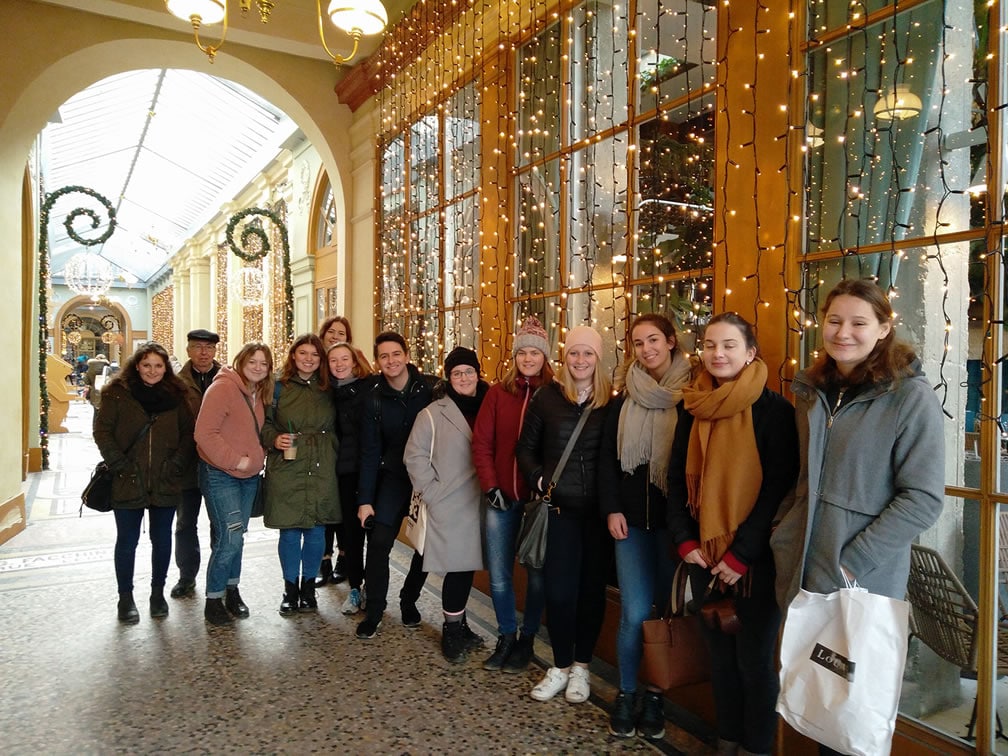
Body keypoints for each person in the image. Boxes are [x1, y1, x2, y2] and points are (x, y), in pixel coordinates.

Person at [770, 280, 944, 756]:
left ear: (884, 328)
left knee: (852, 715)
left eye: (859, 323)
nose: (843, 332)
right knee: (817, 700)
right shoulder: (814, 390)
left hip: (860, 581)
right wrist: (782, 532)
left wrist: (852, 561)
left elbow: (924, 498)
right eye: (834, 321)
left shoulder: (910, 397)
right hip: (806, 571)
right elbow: (803, 480)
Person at [666, 312, 799, 756]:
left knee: (755, 663)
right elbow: (674, 479)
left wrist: (741, 554)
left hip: (755, 563)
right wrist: (685, 541)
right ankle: (726, 741)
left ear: (750, 352)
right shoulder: (694, 404)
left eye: (728, 345)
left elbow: (777, 490)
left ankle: (757, 747)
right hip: (703, 556)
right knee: (719, 661)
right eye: (709, 345)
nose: (717, 354)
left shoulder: (774, 410)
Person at [599, 313, 692, 740]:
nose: (646, 349)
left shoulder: (693, 395)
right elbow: (606, 462)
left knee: (666, 614)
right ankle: (627, 693)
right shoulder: (623, 398)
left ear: (671, 341)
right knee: (634, 613)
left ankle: (655, 698)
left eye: (653, 340)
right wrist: (612, 509)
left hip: (676, 527)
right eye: (638, 343)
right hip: (631, 523)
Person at [515, 324, 612, 703]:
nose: (581, 360)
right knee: (558, 593)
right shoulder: (546, 398)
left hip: (598, 516)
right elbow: (525, 450)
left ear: (597, 358)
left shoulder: (610, 403)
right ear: (565, 357)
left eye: (588, 353)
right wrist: (539, 480)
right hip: (559, 512)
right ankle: (559, 665)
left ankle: (582, 669)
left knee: (590, 592)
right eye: (574, 353)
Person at [92, 342, 198, 623]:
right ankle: (125, 598)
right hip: (128, 478)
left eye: (159, 366)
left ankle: (157, 593)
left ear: (166, 368)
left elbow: (189, 433)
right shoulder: (118, 394)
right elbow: (102, 431)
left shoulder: (177, 395)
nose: (153, 371)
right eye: (147, 365)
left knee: (161, 539)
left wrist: (176, 464)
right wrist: (120, 465)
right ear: (137, 366)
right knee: (127, 540)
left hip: (165, 479)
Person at [472, 316, 552, 673]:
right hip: (501, 497)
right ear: (515, 355)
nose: (528, 358)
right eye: (523, 352)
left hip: (538, 502)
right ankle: (506, 634)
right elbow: (482, 442)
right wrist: (490, 486)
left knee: (536, 573)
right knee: (500, 572)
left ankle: (527, 638)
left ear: (545, 357)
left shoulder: (555, 393)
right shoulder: (497, 393)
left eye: (535, 352)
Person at [404, 347, 489, 662]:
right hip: (449, 504)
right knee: (458, 567)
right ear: (449, 377)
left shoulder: (489, 405)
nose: (464, 378)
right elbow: (414, 456)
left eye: (469, 371)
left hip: (483, 502)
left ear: (477, 373)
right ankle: (452, 631)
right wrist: (432, 492)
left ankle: (461, 624)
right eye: (457, 373)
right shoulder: (433, 413)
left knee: (467, 568)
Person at [355, 331, 434, 640]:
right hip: (391, 480)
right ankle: (374, 610)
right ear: (378, 361)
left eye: (396, 354)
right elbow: (369, 451)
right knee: (378, 545)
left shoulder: (430, 388)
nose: (391, 360)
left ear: (406, 355)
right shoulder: (373, 397)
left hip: (425, 481)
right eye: (384, 356)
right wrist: (365, 499)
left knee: (427, 547)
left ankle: (409, 600)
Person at [193, 343, 273, 626]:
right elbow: (203, 434)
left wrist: (256, 458)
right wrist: (236, 461)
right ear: (241, 361)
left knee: (238, 536)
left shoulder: (259, 393)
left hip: (249, 478)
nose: (258, 367)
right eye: (253, 361)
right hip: (220, 474)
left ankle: (232, 589)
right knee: (229, 537)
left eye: (264, 363)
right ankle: (213, 598)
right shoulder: (222, 388)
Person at [261, 333, 340, 616]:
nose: (308, 359)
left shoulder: (330, 387)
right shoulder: (277, 387)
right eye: (303, 353)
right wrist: (274, 438)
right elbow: (263, 423)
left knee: (317, 528)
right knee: (290, 529)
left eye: (314, 355)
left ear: (321, 360)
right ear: (294, 355)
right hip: (287, 466)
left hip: (322, 464)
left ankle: (309, 587)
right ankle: (289, 589)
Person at [169, 328, 222, 600]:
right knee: (185, 523)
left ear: (215, 351)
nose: (203, 353)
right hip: (187, 466)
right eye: (197, 347)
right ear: (188, 350)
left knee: (220, 524)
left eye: (209, 348)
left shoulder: (227, 380)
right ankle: (186, 576)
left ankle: (220, 575)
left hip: (218, 466)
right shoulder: (177, 383)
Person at [326, 341, 377, 615]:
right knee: (351, 535)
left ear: (355, 360)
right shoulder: (328, 393)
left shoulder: (371, 388)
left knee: (375, 534)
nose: (339, 364)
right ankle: (355, 587)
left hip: (371, 471)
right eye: (333, 360)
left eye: (344, 358)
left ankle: (373, 587)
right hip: (344, 472)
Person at [316, 315, 356, 587]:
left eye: (341, 332)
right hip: (322, 448)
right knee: (323, 506)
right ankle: (324, 559)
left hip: (348, 450)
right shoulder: (318, 366)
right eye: (331, 331)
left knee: (344, 506)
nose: (335, 336)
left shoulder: (351, 368)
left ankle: (344, 557)